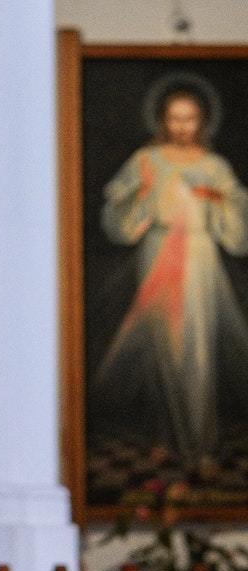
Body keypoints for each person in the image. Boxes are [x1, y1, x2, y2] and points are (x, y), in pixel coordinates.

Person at [98, 82, 248, 469]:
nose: (182, 127)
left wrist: (217, 199)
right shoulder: (146, 159)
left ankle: (200, 444)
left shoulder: (214, 166)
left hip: (198, 257)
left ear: (202, 121)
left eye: (190, 119)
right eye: (175, 119)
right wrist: (141, 193)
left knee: (197, 349)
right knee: (161, 347)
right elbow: (117, 205)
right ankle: (165, 437)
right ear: (163, 120)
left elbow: (235, 206)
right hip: (158, 251)